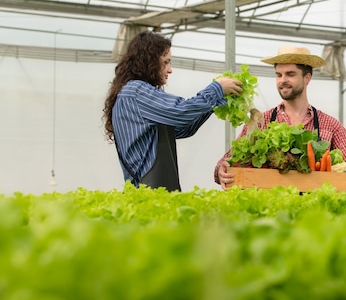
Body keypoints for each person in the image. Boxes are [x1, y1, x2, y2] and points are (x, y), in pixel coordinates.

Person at [214, 45, 346, 190]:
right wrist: (222, 167)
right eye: (279, 75)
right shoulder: (261, 121)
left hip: (314, 210)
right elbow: (232, 157)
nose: (283, 80)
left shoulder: (329, 124)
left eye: (290, 74)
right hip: (272, 208)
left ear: (307, 78)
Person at [103, 30, 243, 191]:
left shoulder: (134, 93)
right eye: (165, 62)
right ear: (149, 61)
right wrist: (216, 89)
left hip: (151, 193)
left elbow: (184, 128)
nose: (170, 70)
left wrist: (216, 101)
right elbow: (181, 112)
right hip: (148, 194)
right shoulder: (136, 92)